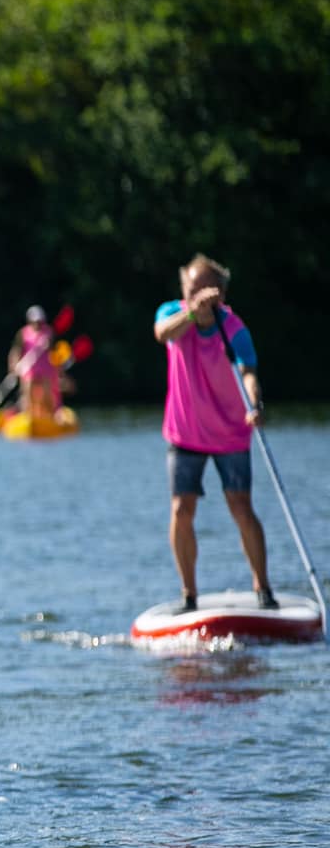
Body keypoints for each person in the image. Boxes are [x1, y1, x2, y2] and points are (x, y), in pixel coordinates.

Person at [155, 253, 273, 611]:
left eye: (205, 290)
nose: (198, 296)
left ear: (220, 294)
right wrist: (192, 313)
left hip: (229, 433)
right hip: (185, 432)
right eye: (192, 290)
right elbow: (163, 334)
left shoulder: (233, 328)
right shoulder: (171, 314)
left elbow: (248, 371)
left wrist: (255, 404)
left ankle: (263, 588)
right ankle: (189, 595)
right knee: (181, 510)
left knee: (241, 507)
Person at [7, 306, 61, 425]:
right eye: (35, 321)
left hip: (46, 369)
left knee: (47, 395)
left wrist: (48, 344)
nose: (37, 324)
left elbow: (56, 350)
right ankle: (29, 418)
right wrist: (14, 366)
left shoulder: (49, 332)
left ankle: (51, 418)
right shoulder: (23, 333)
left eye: (39, 321)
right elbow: (16, 351)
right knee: (28, 395)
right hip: (29, 370)